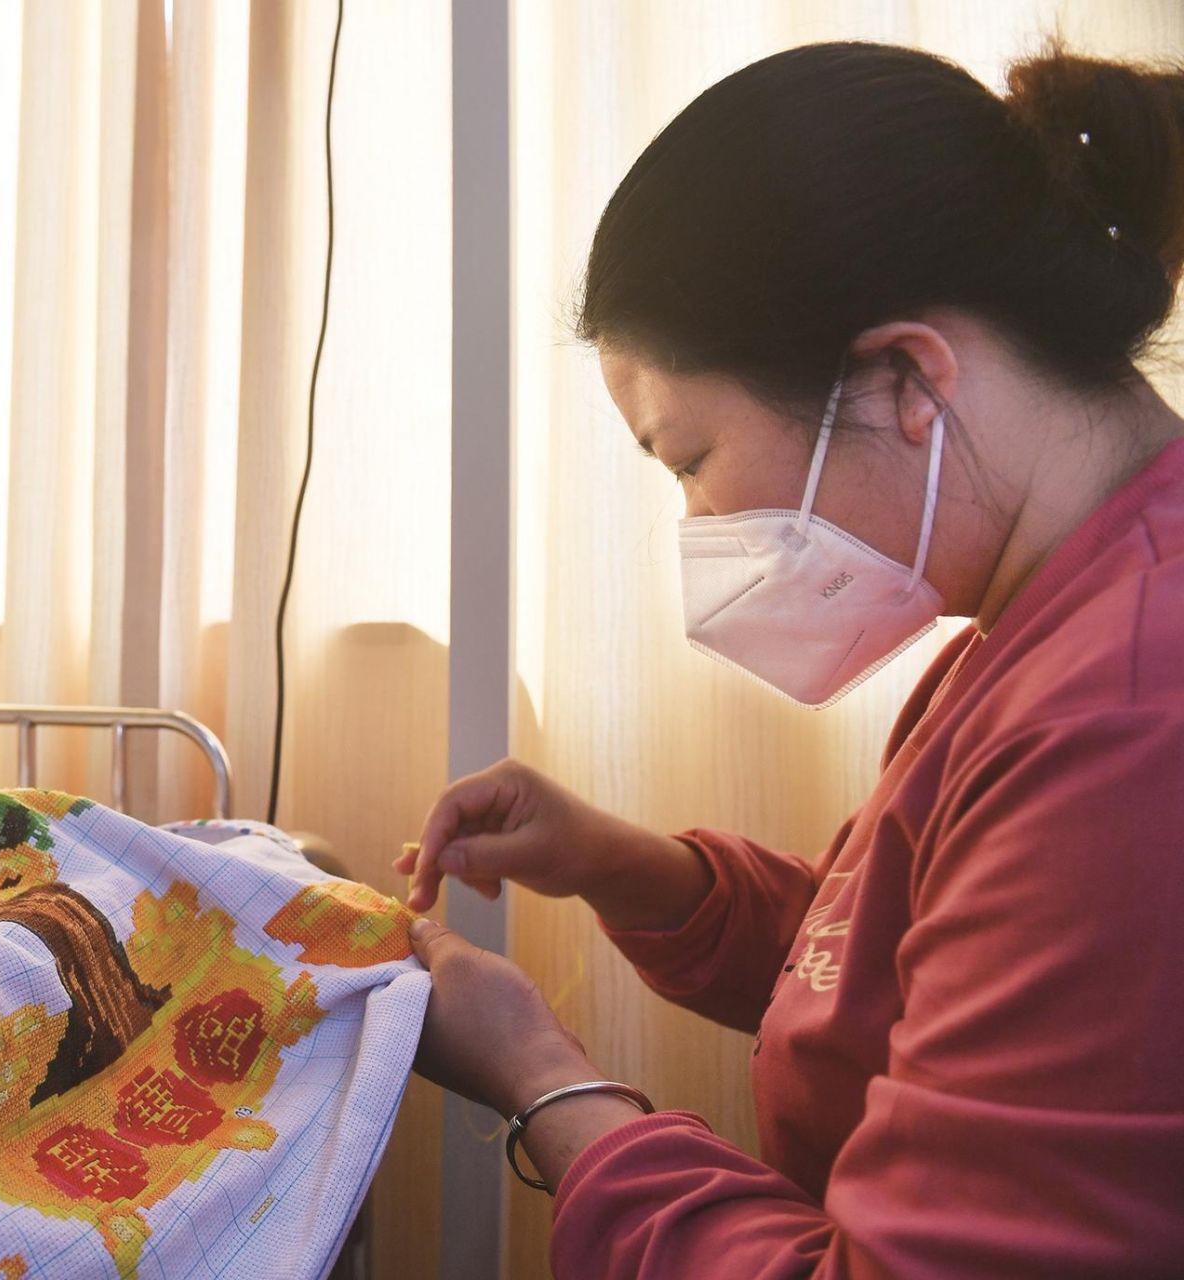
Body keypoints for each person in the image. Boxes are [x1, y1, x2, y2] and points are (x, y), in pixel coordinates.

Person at [398, 41, 1184, 1277]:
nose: (701, 525)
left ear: (906, 377)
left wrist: (541, 1077)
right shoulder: (1042, 622)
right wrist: (621, 864)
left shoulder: (1130, 715)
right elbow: (891, 959)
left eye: (694, 460)